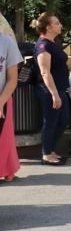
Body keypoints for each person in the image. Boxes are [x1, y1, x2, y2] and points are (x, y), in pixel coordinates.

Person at [34, 13, 70, 165]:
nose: (60, 25)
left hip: (61, 89)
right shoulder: (43, 46)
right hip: (49, 91)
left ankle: (52, 150)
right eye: (57, 22)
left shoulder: (53, 43)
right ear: (49, 27)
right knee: (51, 122)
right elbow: (45, 72)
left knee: (63, 121)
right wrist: (54, 94)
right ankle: (47, 154)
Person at [0, 31, 23, 181]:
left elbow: (12, 79)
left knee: (4, 138)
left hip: (3, 98)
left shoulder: (6, 42)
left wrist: (0, 102)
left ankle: (7, 169)